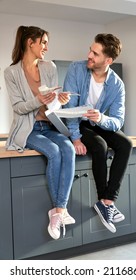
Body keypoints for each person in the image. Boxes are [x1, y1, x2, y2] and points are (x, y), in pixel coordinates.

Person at [4, 25, 76, 240]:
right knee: (53, 151)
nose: (46, 46)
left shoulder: (49, 67)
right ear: (30, 42)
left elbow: (53, 105)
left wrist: (60, 101)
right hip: (29, 130)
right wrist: (38, 100)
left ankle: (58, 211)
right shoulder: (11, 72)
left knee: (68, 148)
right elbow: (17, 106)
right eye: (43, 42)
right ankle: (60, 210)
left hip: (49, 125)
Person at [63, 33, 132, 233]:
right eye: (90, 50)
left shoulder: (117, 84)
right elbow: (69, 108)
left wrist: (101, 118)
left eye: (95, 53)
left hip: (97, 121)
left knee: (126, 144)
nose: (89, 55)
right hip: (76, 122)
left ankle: (107, 201)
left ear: (108, 60)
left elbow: (119, 120)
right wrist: (75, 137)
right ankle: (104, 199)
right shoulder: (76, 69)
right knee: (100, 145)